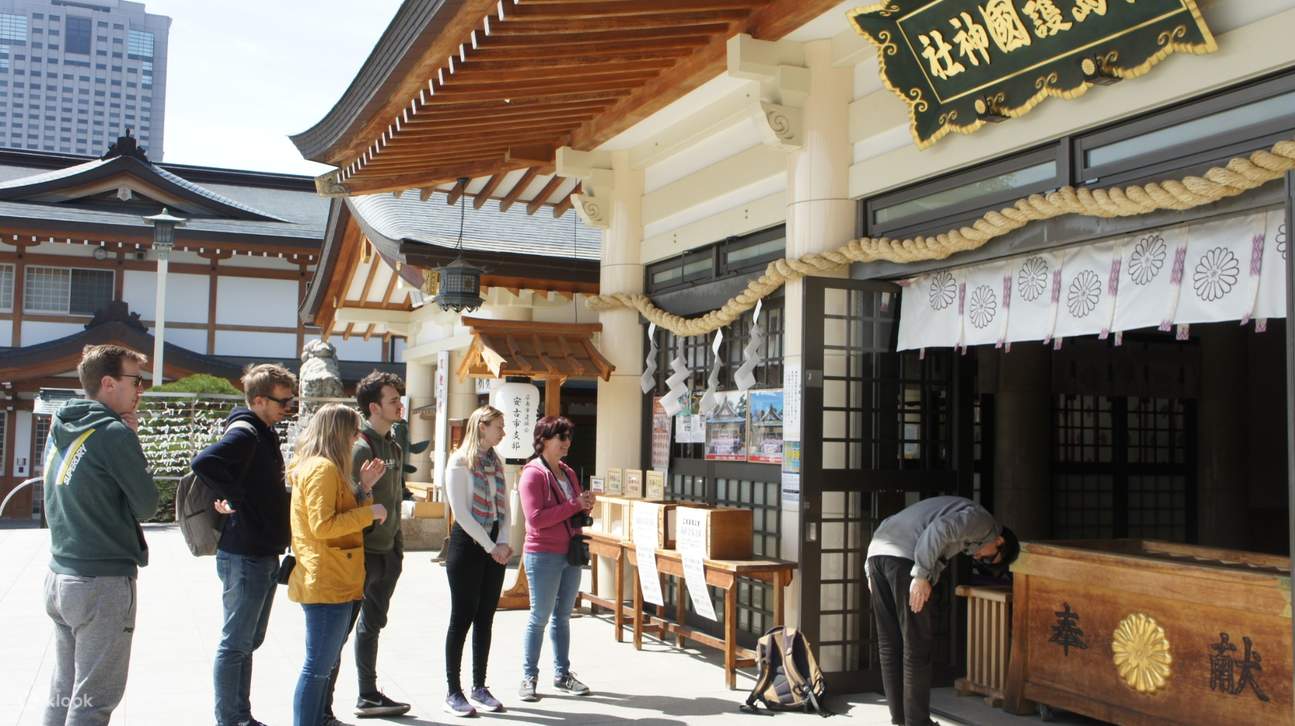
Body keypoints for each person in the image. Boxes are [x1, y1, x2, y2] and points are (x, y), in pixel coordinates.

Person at [42, 344, 159, 726]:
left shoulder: (63, 424)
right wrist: (132, 442)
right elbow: (146, 504)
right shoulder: (113, 434)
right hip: (101, 581)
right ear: (108, 383)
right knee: (94, 700)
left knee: (64, 689)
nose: (141, 390)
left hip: (61, 574)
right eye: (136, 380)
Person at [191, 363, 297, 726]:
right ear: (258, 400)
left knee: (248, 641)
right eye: (283, 402)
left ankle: (240, 715)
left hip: (259, 550)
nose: (288, 408)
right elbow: (204, 462)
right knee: (236, 643)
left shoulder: (262, 432)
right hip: (245, 552)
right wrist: (238, 498)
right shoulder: (247, 433)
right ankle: (230, 718)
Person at [865, 496, 1019, 726]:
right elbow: (939, 530)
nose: (979, 558)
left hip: (878, 555)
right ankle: (917, 722)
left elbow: (889, 523)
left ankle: (900, 719)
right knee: (916, 645)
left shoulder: (960, 519)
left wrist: (870, 569)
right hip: (904, 560)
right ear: (999, 541)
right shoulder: (984, 522)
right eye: (989, 558)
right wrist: (920, 575)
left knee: (891, 644)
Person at [286, 404, 388, 726]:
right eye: (353, 430)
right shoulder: (322, 469)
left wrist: (365, 489)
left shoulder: (324, 467)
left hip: (336, 577)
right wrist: (369, 512)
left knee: (323, 666)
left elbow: (337, 516)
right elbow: (323, 526)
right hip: (327, 580)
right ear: (338, 433)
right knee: (317, 667)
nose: (357, 437)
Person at [321, 371, 411, 721]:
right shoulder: (359, 447)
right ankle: (323, 706)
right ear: (373, 407)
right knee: (341, 632)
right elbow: (345, 503)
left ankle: (368, 695)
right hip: (362, 554)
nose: (400, 404)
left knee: (372, 625)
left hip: (388, 550)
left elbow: (394, 498)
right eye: (393, 400)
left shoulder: (394, 444)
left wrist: (397, 544)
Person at [517, 416, 596, 703]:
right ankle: (529, 676)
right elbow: (535, 519)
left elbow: (569, 512)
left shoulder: (568, 472)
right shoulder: (532, 474)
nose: (566, 443)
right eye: (561, 438)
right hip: (543, 553)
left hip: (570, 552)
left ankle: (562, 674)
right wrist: (574, 504)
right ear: (544, 440)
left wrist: (584, 507)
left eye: (568, 438)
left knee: (563, 617)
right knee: (539, 617)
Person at [442, 405, 512, 717]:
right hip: (469, 544)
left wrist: (505, 541)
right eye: (498, 425)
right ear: (481, 426)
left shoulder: (496, 461)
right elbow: (462, 513)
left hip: (494, 543)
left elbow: (505, 507)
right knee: (462, 617)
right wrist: (490, 546)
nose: (503, 431)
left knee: (486, 617)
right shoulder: (459, 461)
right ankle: (453, 690)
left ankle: (479, 686)